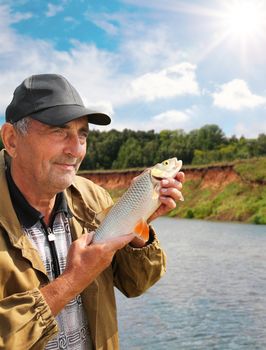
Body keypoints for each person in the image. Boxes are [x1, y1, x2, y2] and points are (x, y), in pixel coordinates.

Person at [0, 74, 184, 350]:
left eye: (82, 134)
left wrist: (137, 227)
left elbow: (136, 285)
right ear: (12, 140)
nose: (76, 150)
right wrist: (73, 280)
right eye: (59, 131)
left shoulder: (94, 198)